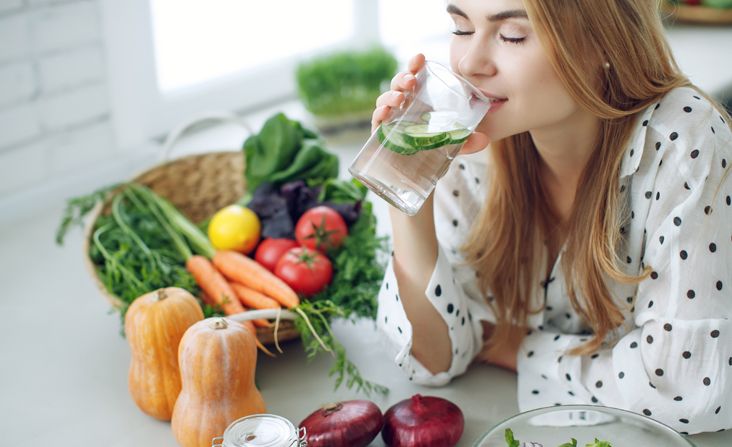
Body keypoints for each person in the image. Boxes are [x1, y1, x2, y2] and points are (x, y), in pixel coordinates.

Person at [373, 0, 732, 435]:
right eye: (461, 27)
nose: (469, 63)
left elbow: (688, 389)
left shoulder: (683, 141)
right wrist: (406, 190)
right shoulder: (469, 141)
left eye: (512, 36)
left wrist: (519, 346)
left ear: (603, 40)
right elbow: (436, 360)